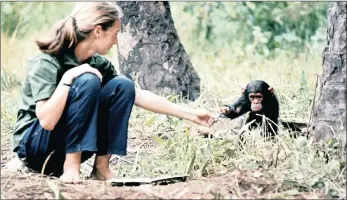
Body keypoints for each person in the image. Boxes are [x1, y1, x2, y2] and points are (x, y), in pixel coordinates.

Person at [12, 2, 216, 184]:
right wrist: (69, 78)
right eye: (115, 33)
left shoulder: (97, 63)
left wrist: (190, 114)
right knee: (87, 80)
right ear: (98, 31)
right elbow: (46, 121)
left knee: (122, 84)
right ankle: (71, 166)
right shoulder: (47, 61)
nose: (116, 42)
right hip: (35, 148)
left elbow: (137, 95)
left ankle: (101, 168)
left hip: (63, 146)